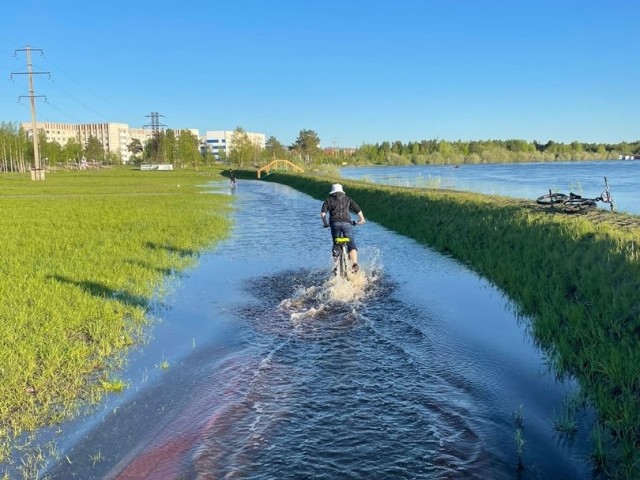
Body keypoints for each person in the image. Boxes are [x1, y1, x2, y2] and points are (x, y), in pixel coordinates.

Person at [320, 183, 365, 273]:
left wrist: (325, 223)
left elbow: (323, 213)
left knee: (336, 243)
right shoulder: (348, 199)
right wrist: (362, 219)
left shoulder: (328, 200)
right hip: (347, 223)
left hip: (334, 223)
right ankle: (354, 264)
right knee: (351, 244)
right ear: (341, 191)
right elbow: (357, 209)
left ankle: (336, 267)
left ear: (332, 192)